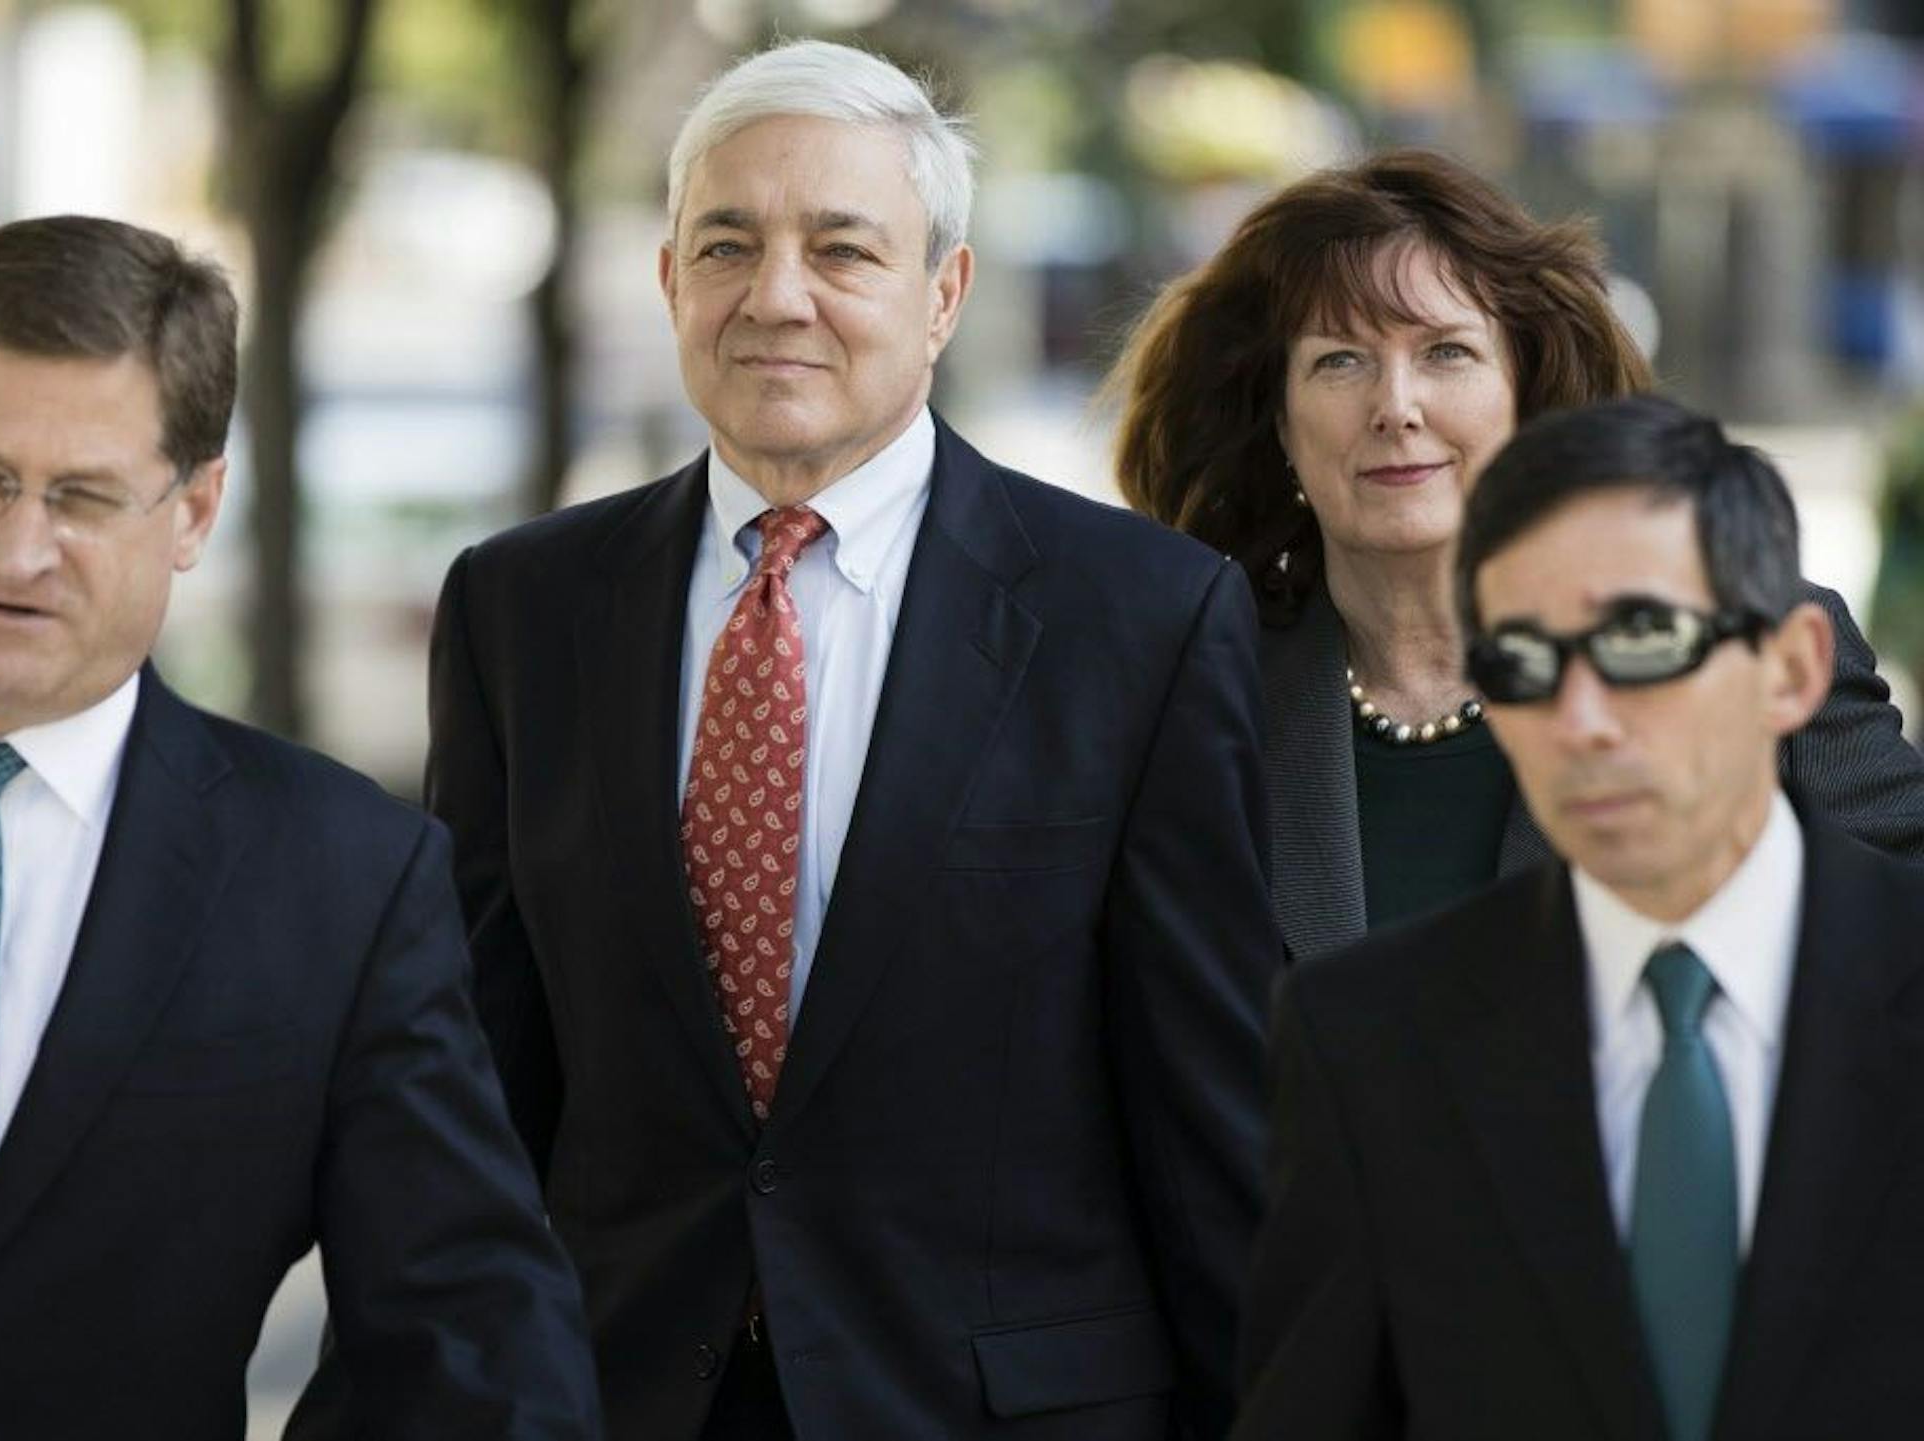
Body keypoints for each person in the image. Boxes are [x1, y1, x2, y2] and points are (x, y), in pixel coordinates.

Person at [427, 37, 1278, 1441]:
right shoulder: (523, 609)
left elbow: (1206, 1119)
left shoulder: (1141, 619)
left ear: (943, 293)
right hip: (620, 1395)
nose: (777, 297)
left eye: (841, 249)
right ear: (668, 281)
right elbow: (476, 1088)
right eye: (726, 245)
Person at [0, 216, 602, 1439]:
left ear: (197, 511)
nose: (19, 546)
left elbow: (471, 1343)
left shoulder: (340, 887)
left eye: (85, 496)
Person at [1235, 394, 1924, 1440]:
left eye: (1642, 638)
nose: (1582, 718)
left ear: (1792, 667)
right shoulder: (1368, 1039)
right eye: (1521, 662)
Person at [1108, 148, 1924, 962]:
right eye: (1340, 360)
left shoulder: (1744, 643)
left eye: (1446, 352)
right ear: (1281, 423)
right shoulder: (1194, 697)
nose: (1396, 406)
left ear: (1527, 394)